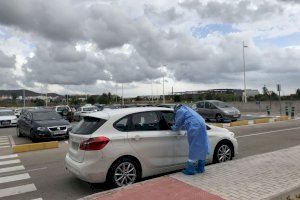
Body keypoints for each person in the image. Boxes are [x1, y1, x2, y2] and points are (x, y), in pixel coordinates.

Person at [172, 104, 211, 175]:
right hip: (202, 124)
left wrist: (174, 128)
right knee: (202, 145)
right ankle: (200, 168)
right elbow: (188, 119)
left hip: (195, 126)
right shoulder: (188, 109)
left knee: (194, 147)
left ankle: (190, 170)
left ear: (176, 109)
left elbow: (178, 122)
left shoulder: (180, 111)